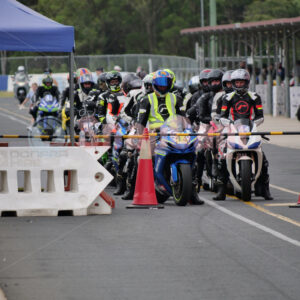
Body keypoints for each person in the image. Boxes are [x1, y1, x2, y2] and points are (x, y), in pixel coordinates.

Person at [136, 69, 204, 205]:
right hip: (155, 134)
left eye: (165, 84)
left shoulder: (176, 98)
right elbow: (140, 122)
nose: (162, 86)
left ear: (170, 84)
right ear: (154, 84)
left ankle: (192, 192)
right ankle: (144, 187)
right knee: (144, 157)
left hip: (174, 132)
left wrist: (190, 128)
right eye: (160, 84)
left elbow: (184, 118)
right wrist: (140, 138)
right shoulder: (146, 99)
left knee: (193, 152)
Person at [219, 69, 273, 201]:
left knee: (264, 159)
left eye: (241, 82)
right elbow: (222, 116)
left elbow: (260, 116)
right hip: (232, 127)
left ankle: (265, 189)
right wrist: (229, 124)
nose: (239, 84)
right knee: (222, 156)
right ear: (232, 83)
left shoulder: (254, 97)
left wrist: (254, 124)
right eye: (236, 82)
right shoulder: (227, 97)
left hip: (250, 127)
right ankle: (221, 190)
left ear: (247, 82)